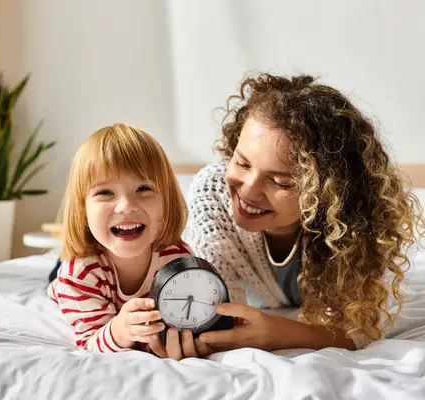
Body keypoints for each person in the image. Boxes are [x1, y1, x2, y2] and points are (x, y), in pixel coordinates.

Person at [149, 73, 425, 360]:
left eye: (280, 182)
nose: (249, 191)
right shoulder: (213, 196)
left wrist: (274, 332)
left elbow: (360, 329)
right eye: (242, 163)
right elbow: (219, 311)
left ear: (326, 191)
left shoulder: (351, 227)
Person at [48, 123, 192, 352]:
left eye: (144, 189)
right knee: (57, 279)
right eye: (105, 192)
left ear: (166, 205)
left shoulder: (177, 259)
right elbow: (89, 342)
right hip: (77, 276)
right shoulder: (79, 274)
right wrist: (119, 330)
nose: (126, 207)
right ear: (83, 211)